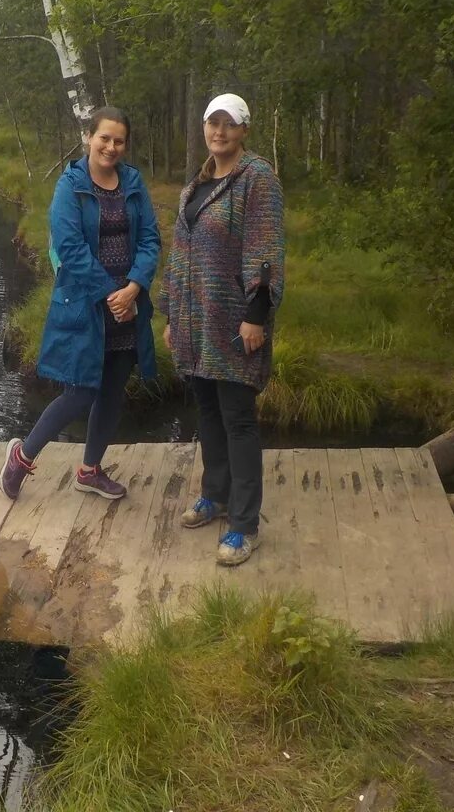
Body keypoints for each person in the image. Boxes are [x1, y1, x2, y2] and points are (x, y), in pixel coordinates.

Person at [0, 106, 161, 501]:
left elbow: (151, 240)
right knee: (80, 392)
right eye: (104, 137)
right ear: (88, 137)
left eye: (118, 140)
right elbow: (69, 249)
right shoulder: (69, 187)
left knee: (111, 392)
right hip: (88, 306)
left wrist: (135, 286)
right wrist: (111, 293)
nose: (110, 146)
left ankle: (89, 470)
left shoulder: (133, 183)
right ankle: (21, 456)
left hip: (127, 306)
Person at [159, 93, 285, 567]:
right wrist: (171, 313)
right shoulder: (197, 183)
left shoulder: (258, 179)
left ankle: (244, 524)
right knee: (207, 411)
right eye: (212, 123)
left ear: (243, 130)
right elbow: (180, 251)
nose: (219, 132)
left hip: (234, 321)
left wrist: (256, 312)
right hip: (196, 321)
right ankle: (214, 493)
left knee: (238, 418)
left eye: (229, 124)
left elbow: (265, 248)